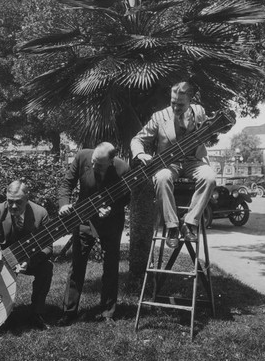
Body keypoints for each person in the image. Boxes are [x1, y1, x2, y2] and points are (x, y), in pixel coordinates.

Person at [130, 81, 216, 248]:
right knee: (162, 177)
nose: (176, 107)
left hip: (194, 162)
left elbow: (211, 131)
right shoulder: (159, 117)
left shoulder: (199, 112)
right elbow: (137, 139)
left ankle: (190, 223)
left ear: (190, 100)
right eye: (173, 103)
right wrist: (140, 154)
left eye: (180, 104)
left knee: (210, 178)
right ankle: (172, 227)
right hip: (169, 163)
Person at [57, 142, 130, 326]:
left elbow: (126, 198)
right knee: (77, 265)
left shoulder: (123, 168)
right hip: (84, 218)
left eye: (99, 164)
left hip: (111, 222)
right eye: (93, 162)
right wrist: (64, 203)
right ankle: (69, 312)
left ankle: (107, 313)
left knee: (111, 266)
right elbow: (67, 183)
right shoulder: (82, 156)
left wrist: (111, 209)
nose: (94, 165)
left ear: (111, 161)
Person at [0, 180, 53, 330]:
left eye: (18, 202)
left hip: (27, 259)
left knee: (46, 267)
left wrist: (30, 261)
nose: (13, 206)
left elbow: (48, 246)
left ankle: (36, 313)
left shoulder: (40, 213)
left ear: (27, 198)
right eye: (10, 201)